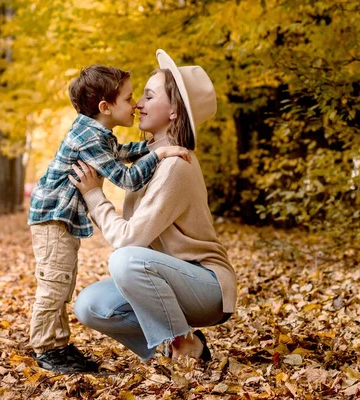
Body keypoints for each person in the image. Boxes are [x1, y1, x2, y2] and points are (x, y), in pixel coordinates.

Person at [70, 50, 236, 363]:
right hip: (165, 279)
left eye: (148, 96)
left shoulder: (175, 164)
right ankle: (172, 349)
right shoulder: (147, 159)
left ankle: (181, 344)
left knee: (126, 260)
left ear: (174, 110)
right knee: (90, 305)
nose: (138, 104)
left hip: (207, 287)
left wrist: (94, 195)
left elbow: (129, 241)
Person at [27, 64, 191, 373]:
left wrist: (157, 144)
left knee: (63, 283)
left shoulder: (98, 132)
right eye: (129, 99)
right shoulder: (89, 137)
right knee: (54, 284)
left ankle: (58, 345)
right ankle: (46, 348)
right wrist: (158, 155)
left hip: (59, 218)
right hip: (52, 217)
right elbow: (125, 178)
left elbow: (123, 151)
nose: (135, 105)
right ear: (106, 107)